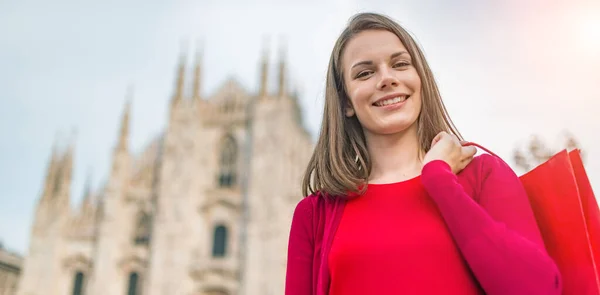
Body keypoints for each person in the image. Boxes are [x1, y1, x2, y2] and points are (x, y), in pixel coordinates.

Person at [285, 12, 562, 295]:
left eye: (400, 64)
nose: (387, 78)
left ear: (420, 79)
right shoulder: (314, 215)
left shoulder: (482, 176)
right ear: (346, 102)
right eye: (365, 73)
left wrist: (440, 181)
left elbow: (537, 288)